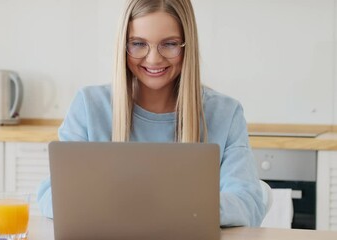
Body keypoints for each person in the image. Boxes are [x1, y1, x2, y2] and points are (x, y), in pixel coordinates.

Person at [37, 0, 266, 227]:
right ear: (123, 46)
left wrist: (144, 206)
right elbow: (52, 195)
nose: (154, 58)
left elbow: (247, 204)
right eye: (138, 43)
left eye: (169, 44)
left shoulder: (225, 113)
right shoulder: (88, 106)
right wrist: (176, 207)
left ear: (188, 45)